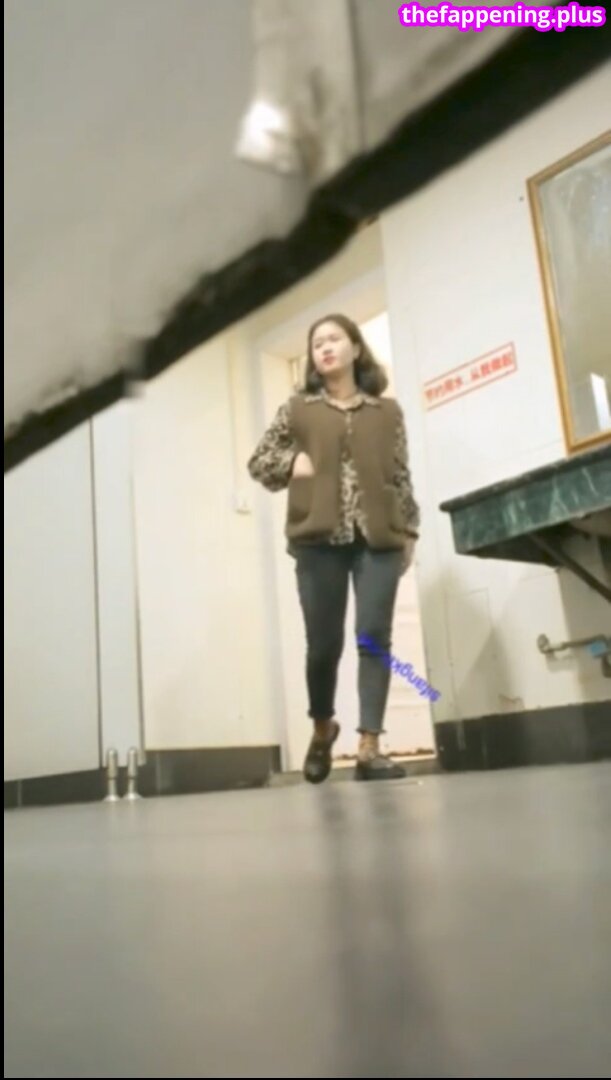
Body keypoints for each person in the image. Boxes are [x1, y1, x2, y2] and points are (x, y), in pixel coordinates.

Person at [247, 313, 420, 783]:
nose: (324, 348)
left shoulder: (387, 413)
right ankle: (323, 729)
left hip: (377, 538)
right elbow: (259, 462)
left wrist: (410, 532)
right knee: (323, 645)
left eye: (334, 339)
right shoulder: (297, 409)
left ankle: (370, 748)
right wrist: (292, 462)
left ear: (355, 348)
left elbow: (400, 475)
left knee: (374, 637)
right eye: (316, 343)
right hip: (317, 540)